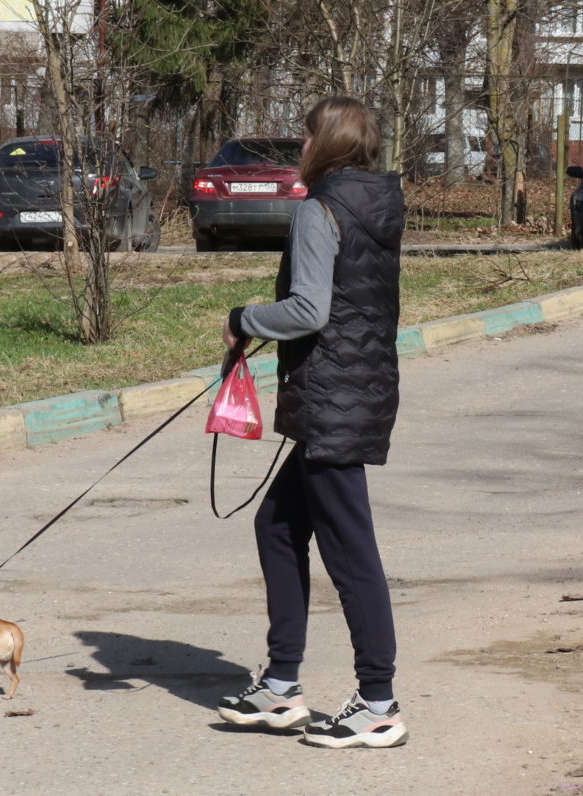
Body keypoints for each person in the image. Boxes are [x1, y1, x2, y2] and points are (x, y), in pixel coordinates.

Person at [216, 96, 409, 749]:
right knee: (276, 524)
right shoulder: (376, 205)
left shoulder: (319, 208)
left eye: (304, 138)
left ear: (325, 143)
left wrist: (244, 320)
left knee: (351, 552)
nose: (298, 148)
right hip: (359, 389)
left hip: (332, 396)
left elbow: (307, 310)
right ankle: (279, 688)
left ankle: (378, 701)